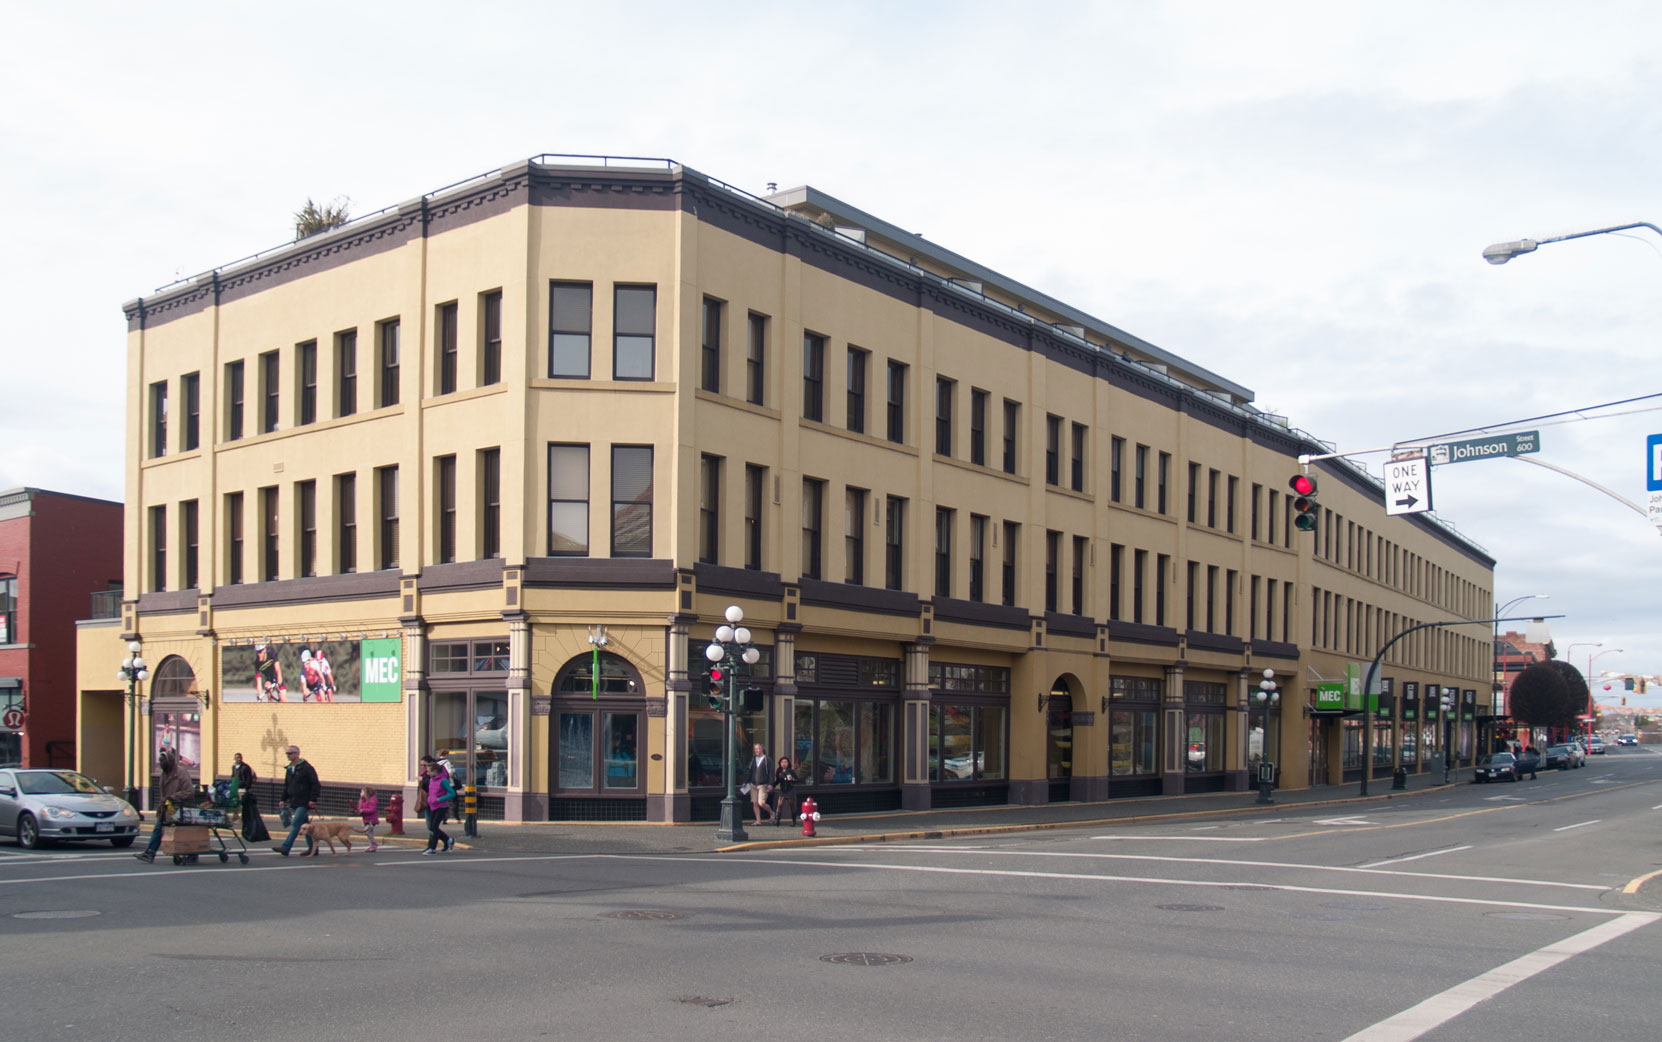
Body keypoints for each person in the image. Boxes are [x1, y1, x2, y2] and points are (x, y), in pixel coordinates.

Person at [134, 748, 195, 863]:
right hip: (167, 807)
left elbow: (188, 791)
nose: (160, 763)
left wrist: (173, 797)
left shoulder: (180, 772)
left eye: (162, 761)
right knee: (158, 828)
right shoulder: (164, 774)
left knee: (182, 831)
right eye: (160, 761)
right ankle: (150, 852)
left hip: (182, 806)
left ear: (169, 761)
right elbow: (163, 795)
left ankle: (191, 853)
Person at [271, 745, 320, 857]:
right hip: (294, 800)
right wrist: (283, 799)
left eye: (290, 753)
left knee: (296, 823)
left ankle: (286, 847)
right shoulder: (289, 768)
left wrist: (313, 799)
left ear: (297, 754)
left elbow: (315, 784)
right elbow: (287, 786)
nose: (288, 755)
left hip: (304, 801)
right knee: (305, 825)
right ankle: (313, 848)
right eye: (287, 753)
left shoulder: (306, 768)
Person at [419, 756, 455, 855]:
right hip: (433, 805)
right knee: (431, 826)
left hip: (442, 806)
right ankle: (448, 840)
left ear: (435, 771)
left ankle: (432, 848)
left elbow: (452, 793)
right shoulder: (431, 780)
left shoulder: (443, 780)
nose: (427, 773)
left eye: (429, 771)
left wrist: (439, 799)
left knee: (434, 827)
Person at [231, 752, 270, 842]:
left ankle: (239, 817)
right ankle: (235, 816)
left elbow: (248, 778)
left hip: (242, 788)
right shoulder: (234, 766)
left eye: (240, 757)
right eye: (237, 757)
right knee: (235, 802)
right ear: (234, 758)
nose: (239, 759)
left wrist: (246, 787)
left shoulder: (245, 767)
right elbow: (233, 776)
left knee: (241, 803)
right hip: (235, 787)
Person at [747, 743, 775, 825]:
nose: (756, 750)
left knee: (761, 803)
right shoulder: (753, 759)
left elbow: (771, 773)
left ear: (762, 749)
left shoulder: (767, 760)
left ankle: (772, 813)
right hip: (753, 784)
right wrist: (746, 782)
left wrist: (770, 784)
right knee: (755, 803)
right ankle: (758, 820)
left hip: (763, 784)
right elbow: (750, 772)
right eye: (755, 749)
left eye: (758, 748)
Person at [771, 755, 798, 826]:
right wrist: (772, 785)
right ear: (780, 763)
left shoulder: (791, 771)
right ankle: (777, 821)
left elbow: (797, 780)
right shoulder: (779, 771)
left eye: (785, 762)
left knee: (791, 805)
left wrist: (792, 779)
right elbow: (777, 781)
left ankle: (794, 821)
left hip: (790, 789)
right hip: (783, 790)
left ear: (788, 763)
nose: (784, 763)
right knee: (779, 804)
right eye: (782, 762)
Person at [356, 786, 380, 852]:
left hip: (372, 820)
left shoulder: (372, 799)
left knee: (367, 832)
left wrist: (363, 810)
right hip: (366, 819)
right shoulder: (362, 800)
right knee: (370, 832)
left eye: (362, 792)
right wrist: (359, 811)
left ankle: (374, 843)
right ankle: (372, 845)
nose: (360, 793)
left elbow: (372, 809)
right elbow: (360, 808)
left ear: (366, 793)